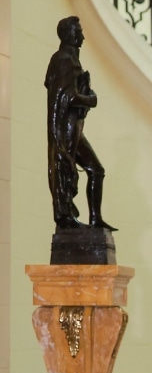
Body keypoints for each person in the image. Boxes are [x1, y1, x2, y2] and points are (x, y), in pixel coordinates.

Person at [44, 15, 115, 231]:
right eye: (78, 32)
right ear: (67, 35)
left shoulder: (70, 60)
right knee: (70, 169)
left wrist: (84, 88)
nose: (82, 36)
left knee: (96, 169)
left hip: (72, 127)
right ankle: (65, 216)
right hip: (64, 129)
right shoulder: (64, 59)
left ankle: (95, 219)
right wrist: (90, 99)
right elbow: (66, 97)